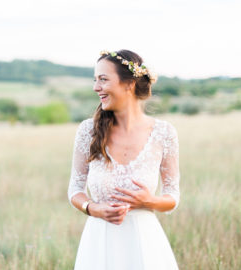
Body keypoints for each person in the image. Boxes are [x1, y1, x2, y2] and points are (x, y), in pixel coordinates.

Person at [67, 49, 180, 269]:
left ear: (129, 84)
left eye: (103, 79)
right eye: (95, 80)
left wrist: (149, 201)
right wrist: (92, 208)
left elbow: (173, 195)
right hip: (99, 243)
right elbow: (75, 189)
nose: (95, 87)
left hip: (144, 244)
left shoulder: (164, 133)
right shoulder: (87, 131)